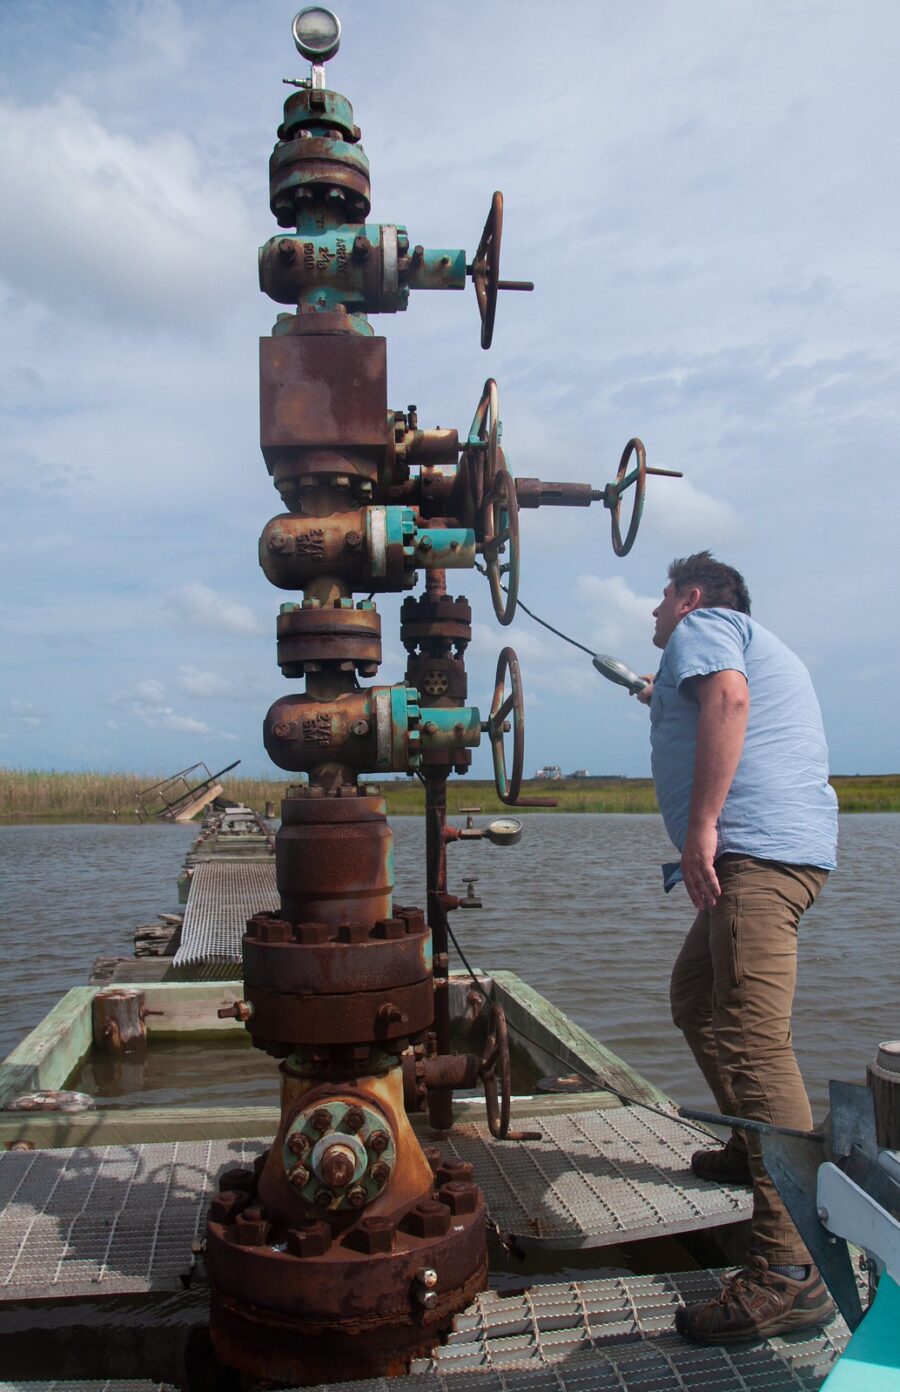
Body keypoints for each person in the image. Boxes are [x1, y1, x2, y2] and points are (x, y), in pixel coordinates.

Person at [638, 550, 838, 1344]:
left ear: (688, 597)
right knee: (694, 999)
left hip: (755, 856)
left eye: (660, 599)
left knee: (755, 1043)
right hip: (769, 854)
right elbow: (710, 699)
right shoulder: (730, 635)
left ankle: (791, 1272)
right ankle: (750, 1141)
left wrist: (700, 828)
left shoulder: (706, 627)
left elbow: (728, 697)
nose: (654, 615)